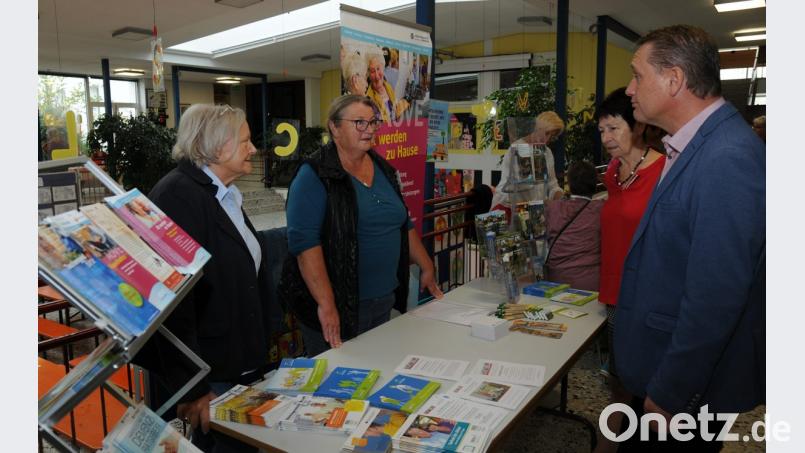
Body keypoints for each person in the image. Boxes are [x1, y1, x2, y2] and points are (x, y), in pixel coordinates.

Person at [614, 25, 765, 451]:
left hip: (683, 388)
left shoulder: (728, 158)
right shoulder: (697, 146)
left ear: (674, 80)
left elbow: (716, 296)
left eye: (638, 75)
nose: (629, 88)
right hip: (664, 369)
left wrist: (672, 391)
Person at [140, 104, 269, 452]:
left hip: (235, 359)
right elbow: (171, 303)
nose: (253, 149)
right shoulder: (177, 196)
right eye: (245, 141)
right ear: (217, 148)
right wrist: (192, 387)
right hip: (209, 374)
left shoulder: (222, 193)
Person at [279, 94, 443, 357]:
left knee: (376, 372)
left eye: (373, 122)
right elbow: (304, 244)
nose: (369, 129)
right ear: (334, 127)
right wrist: (327, 304)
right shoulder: (314, 174)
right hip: (339, 307)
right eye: (359, 122)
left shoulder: (384, 169)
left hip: (383, 299)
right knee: (340, 384)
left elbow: (402, 223)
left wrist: (426, 265)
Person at [593, 87, 665, 453]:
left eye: (613, 128)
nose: (605, 138)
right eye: (601, 130)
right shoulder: (612, 174)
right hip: (613, 295)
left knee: (647, 385)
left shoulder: (663, 172)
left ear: (636, 126)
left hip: (647, 297)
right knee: (620, 381)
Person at [544, 161, 604, 291]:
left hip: (556, 282)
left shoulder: (552, 209)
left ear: (569, 184)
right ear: (594, 184)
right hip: (591, 283)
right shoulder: (600, 209)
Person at [490, 111, 566, 212]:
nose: (547, 139)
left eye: (552, 137)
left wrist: (562, 198)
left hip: (531, 213)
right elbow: (519, 186)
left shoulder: (547, 152)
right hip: (508, 209)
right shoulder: (519, 148)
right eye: (546, 133)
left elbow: (552, 185)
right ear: (538, 128)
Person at [366, 52, 409, 123]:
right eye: (373, 71)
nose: (377, 76)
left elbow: (395, 112)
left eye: (378, 69)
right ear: (369, 75)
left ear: (383, 68)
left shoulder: (388, 87)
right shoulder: (369, 98)